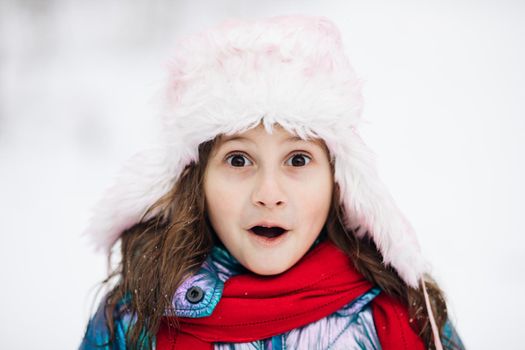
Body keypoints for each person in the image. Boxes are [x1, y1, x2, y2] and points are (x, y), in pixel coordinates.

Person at [79, 15, 465, 350]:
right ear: (196, 179)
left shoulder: (403, 310)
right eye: (238, 159)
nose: (268, 195)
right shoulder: (134, 320)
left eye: (297, 159)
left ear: (339, 180)